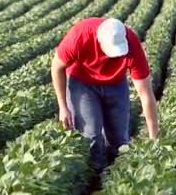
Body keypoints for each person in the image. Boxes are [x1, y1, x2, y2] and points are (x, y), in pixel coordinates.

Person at [51, 17, 159, 171]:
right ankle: (96, 176)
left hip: (116, 82)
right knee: (91, 135)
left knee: (119, 139)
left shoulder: (132, 43)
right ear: (99, 41)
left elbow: (145, 94)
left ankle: (118, 176)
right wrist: (63, 107)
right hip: (82, 82)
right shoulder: (80, 36)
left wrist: (153, 137)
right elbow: (56, 67)